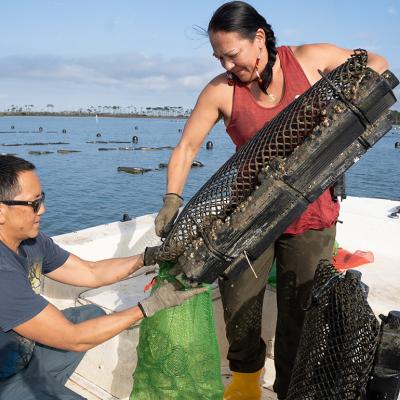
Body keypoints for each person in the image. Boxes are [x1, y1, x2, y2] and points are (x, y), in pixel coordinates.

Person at [154, 2, 389, 399]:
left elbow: (378, 62)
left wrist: (349, 99)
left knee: (301, 308)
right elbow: (187, 146)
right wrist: (172, 199)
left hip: (312, 211)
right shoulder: (221, 91)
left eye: (232, 54)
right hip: (249, 216)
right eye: (219, 57)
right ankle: (246, 381)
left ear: (259, 38)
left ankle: (288, 389)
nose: (227, 64)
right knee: (239, 302)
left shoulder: (309, 60)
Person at [0, 154, 205, 400]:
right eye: (34, 203)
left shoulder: (31, 241)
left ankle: (40, 385)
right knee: (76, 336)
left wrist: (149, 257)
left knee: (90, 315)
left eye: (42, 199)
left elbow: (90, 272)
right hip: (4, 376)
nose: (43, 209)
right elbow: (74, 339)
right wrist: (151, 305)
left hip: (19, 351)